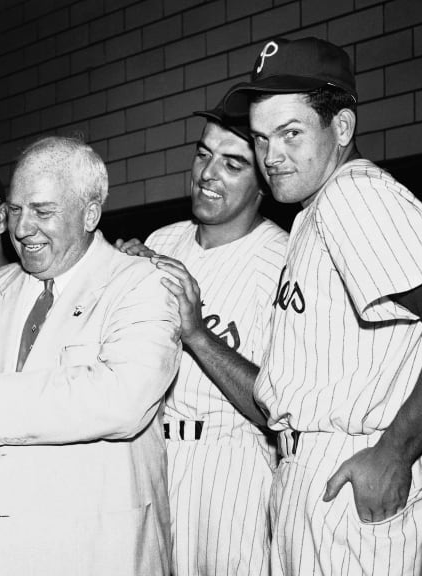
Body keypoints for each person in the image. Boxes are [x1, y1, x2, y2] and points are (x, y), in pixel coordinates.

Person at [173, 36, 422, 575]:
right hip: (312, 472)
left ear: (342, 129)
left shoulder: (355, 196)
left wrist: (396, 452)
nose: (271, 157)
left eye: (291, 133)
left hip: (351, 473)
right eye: (263, 138)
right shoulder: (318, 208)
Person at [0, 136, 182, 575]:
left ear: (90, 213)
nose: (22, 228)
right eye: (16, 210)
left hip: (96, 554)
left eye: (43, 211)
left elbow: (123, 397)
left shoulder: (141, 283)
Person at [119, 91, 288, 575]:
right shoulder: (162, 240)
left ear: (262, 184)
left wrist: (196, 332)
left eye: (232, 164)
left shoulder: (281, 259)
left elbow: (275, 405)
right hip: (154, 455)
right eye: (203, 154)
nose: (208, 173)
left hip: (231, 464)